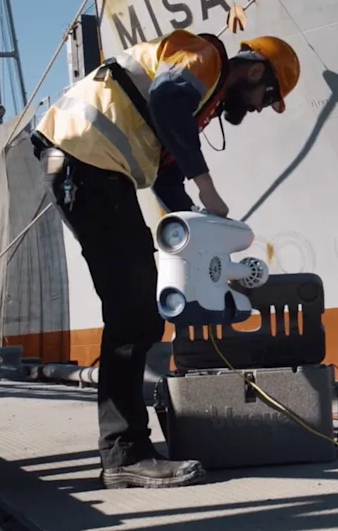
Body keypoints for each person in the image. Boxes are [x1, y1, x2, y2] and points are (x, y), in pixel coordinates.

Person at [30, 29, 300, 489]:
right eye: (265, 96)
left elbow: (167, 183)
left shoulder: (197, 108)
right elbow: (168, 101)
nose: (256, 109)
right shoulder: (204, 58)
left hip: (93, 169)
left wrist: (200, 226)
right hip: (85, 161)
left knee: (139, 312)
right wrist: (210, 189)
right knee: (133, 310)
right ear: (255, 71)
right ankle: (124, 454)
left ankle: (126, 451)